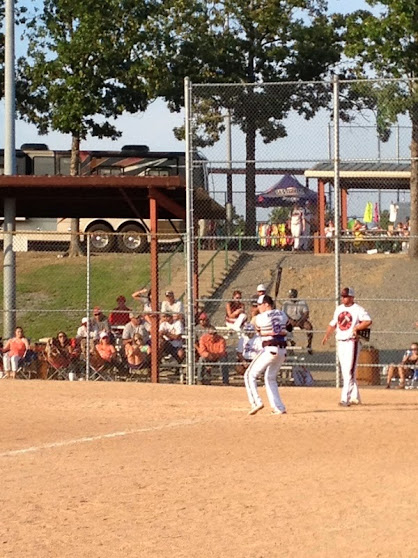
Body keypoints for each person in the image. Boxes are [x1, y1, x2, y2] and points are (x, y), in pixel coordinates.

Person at [322, 287, 372, 407]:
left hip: (351, 342)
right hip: (340, 341)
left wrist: (357, 328)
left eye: (346, 296)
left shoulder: (358, 309)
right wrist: (327, 335)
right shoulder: (339, 309)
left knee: (349, 371)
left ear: (352, 297)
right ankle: (355, 397)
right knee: (346, 372)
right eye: (343, 296)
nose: (344, 299)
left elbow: (368, 321)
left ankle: (345, 398)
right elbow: (333, 323)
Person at [244, 295, 289, 415]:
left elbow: (255, 330)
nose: (258, 307)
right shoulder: (283, 314)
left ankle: (256, 403)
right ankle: (279, 407)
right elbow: (289, 327)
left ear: (266, 304)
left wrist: (254, 316)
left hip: (270, 349)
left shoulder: (260, 318)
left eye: (260, 305)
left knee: (249, 375)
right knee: (270, 378)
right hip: (282, 351)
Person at [282, 289, 313, 354]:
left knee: (309, 327)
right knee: (283, 328)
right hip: (290, 321)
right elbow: (284, 314)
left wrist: (301, 321)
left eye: (293, 295)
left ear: (296, 295)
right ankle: (291, 343)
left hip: (301, 320)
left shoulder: (302, 303)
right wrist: (290, 320)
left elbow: (306, 313)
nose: (292, 297)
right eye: (291, 295)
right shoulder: (286, 304)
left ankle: (309, 345)